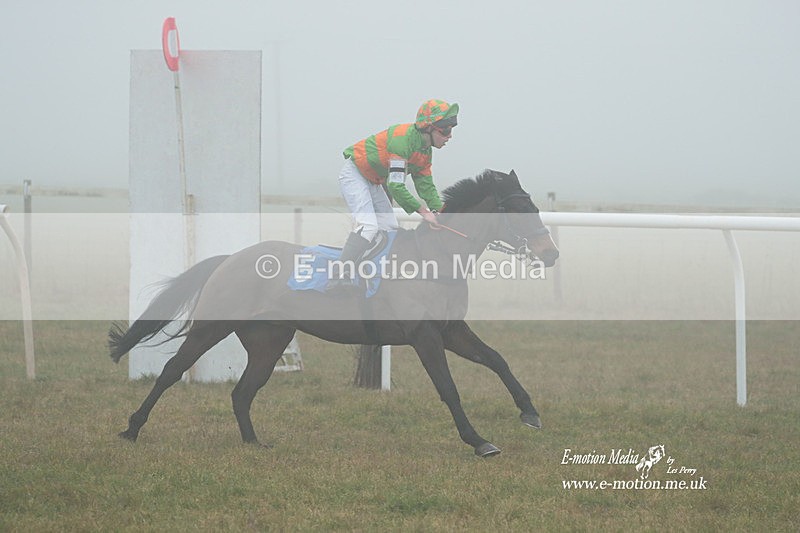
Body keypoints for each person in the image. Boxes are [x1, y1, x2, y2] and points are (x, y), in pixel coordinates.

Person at [330, 98, 459, 287]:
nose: (450, 136)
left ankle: (367, 269)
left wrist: (441, 211)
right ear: (429, 128)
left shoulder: (425, 151)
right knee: (369, 226)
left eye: (451, 130)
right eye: (446, 130)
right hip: (355, 174)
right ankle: (338, 276)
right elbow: (396, 186)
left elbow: (425, 186)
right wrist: (424, 213)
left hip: (373, 181)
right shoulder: (402, 141)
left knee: (389, 228)